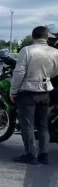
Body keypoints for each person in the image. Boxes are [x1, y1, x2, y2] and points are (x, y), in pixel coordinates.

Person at [9, 26, 58, 165]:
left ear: (32, 37)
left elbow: (19, 73)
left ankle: (30, 155)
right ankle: (44, 155)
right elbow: (55, 72)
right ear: (47, 38)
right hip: (45, 91)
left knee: (28, 125)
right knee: (43, 125)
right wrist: (46, 77)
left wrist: (13, 91)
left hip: (28, 93)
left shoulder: (26, 50)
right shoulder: (56, 52)